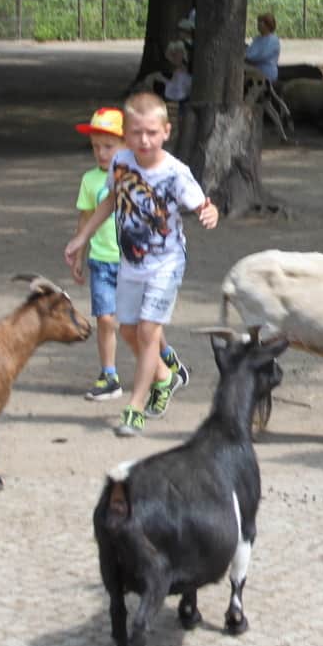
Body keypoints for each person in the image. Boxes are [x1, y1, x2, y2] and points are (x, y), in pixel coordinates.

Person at [64, 92, 219, 437]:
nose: (144, 140)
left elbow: (203, 204)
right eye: (136, 133)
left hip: (166, 263)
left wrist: (210, 212)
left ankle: (134, 406)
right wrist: (82, 238)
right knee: (129, 330)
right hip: (130, 263)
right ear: (126, 134)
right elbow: (110, 202)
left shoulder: (176, 172)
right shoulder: (121, 164)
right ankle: (164, 378)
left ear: (166, 131)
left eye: (151, 132)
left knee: (148, 332)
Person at [68, 106, 187, 403]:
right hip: (101, 261)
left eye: (109, 146)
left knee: (141, 322)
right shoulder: (89, 181)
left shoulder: (134, 177)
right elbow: (85, 218)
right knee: (106, 319)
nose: (101, 153)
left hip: (132, 263)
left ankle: (167, 357)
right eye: (96, 147)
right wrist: (79, 249)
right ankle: (109, 375)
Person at [243, 12, 281, 83]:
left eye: (261, 22)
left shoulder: (273, 40)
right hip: (254, 70)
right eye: (258, 22)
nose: (258, 25)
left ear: (268, 25)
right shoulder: (257, 38)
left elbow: (261, 56)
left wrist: (245, 57)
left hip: (266, 72)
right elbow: (250, 51)